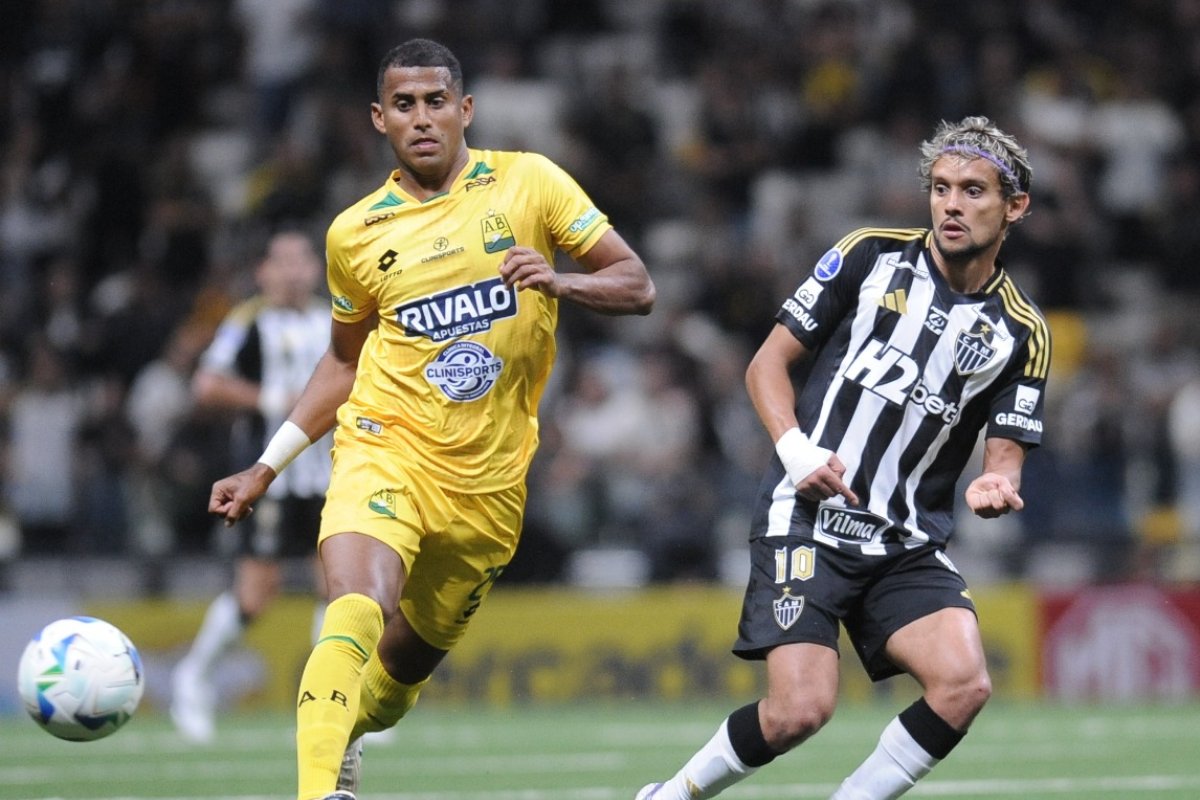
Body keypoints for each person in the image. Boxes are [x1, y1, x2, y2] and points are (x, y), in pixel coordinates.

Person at [206, 38, 654, 800]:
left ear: (465, 109)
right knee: (354, 604)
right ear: (378, 119)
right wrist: (266, 465)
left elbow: (636, 283)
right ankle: (319, 792)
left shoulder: (529, 183)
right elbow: (343, 364)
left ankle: (343, 735)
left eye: (436, 102)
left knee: (397, 679)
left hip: (487, 490)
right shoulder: (355, 233)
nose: (422, 119)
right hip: (386, 450)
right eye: (404, 106)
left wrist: (559, 283)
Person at [636, 116, 1049, 800]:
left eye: (973, 191)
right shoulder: (867, 256)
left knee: (964, 683)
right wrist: (796, 453)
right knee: (801, 710)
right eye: (941, 188)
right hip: (808, 517)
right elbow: (767, 364)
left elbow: (1003, 456)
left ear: (1016, 207)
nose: (951, 204)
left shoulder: (1023, 332)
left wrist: (994, 485)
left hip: (904, 541)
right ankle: (673, 794)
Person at [172, 229, 333, 743]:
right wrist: (269, 400)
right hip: (272, 476)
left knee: (338, 587)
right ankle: (192, 677)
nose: (292, 271)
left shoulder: (334, 317)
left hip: (330, 473)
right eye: (281, 261)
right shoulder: (248, 320)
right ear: (263, 272)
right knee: (257, 595)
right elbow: (207, 383)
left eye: (302, 260)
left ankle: (331, 701)